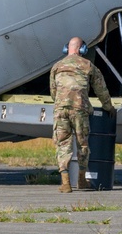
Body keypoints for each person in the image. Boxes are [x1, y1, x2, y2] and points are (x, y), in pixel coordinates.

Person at [49, 37, 116, 193]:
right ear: (82, 50)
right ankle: (81, 180)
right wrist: (109, 107)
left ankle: (65, 182)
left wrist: (62, 102)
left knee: (62, 144)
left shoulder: (57, 66)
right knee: (82, 144)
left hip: (60, 110)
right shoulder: (88, 65)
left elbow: (53, 92)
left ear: (67, 49)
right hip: (79, 110)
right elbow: (101, 89)